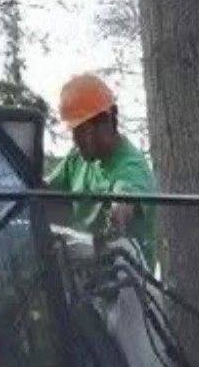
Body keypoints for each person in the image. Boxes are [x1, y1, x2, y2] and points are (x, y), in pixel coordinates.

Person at [48, 73, 156, 264]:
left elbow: (126, 197)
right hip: (82, 273)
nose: (76, 140)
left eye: (83, 131)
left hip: (125, 279)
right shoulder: (76, 160)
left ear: (107, 121)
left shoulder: (131, 166)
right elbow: (41, 190)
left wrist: (119, 212)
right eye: (74, 132)